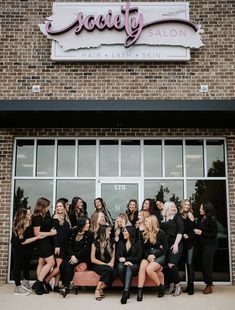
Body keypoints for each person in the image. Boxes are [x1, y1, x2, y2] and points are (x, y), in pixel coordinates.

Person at [11, 208, 44, 295]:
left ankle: (25, 282)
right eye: (29, 214)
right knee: (17, 266)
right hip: (18, 247)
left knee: (26, 264)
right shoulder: (18, 226)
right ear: (24, 216)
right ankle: (17, 287)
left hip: (27, 248)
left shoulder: (29, 224)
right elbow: (23, 241)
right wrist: (36, 238)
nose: (30, 215)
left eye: (30, 214)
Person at [59, 216, 94, 297]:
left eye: (89, 223)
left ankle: (66, 287)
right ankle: (66, 284)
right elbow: (67, 244)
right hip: (72, 254)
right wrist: (72, 255)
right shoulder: (72, 231)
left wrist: (76, 257)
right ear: (81, 225)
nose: (89, 225)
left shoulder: (90, 234)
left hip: (82, 256)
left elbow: (87, 249)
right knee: (61, 266)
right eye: (87, 224)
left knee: (68, 265)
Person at [137, 215, 168, 301]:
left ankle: (160, 287)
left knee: (149, 269)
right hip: (148, 255)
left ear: (151, 222)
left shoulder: (161, 233)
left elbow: (165, 248)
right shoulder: (145, 233)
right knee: (142, 266)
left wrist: (155, 255)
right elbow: (144, 249)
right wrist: (148, 256)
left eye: (146, 221)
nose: (145, 222)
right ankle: (140, 291)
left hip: (159, 255)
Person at [44, 199, 71, 292]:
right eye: (57, 206)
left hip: (64, 246)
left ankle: (56, 285)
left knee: (60, 266)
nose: (58, 208)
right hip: (58, 246)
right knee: (60, 267)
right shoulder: (55, 218)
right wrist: (56, 246)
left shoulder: (65, 218)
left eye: (60, 206)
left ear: (64, 208)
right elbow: (54, 233)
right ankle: (46, 280)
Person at [32, 197, 57, 295]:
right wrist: (50, 234)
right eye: (47, 205)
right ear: (42, 206)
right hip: (42, 242)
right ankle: (39, 284)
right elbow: (36, 233)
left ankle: (40, 285)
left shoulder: (47, 214)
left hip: (48, 242)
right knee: (51, 262)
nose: (49, 207)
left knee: (42, 262)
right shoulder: (37, 217)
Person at [160, 201, 184, 297]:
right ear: (166, 208)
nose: (174, 208)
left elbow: (180, 231)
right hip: (166, 245)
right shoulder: (163, 219)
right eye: (171, 207)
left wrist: (176, 244)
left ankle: (178, 286)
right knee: (166, 266)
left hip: (176, 243)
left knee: (171, 264)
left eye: (174, 207)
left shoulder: (177, 218)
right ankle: (171, 285)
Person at [194, 201, 218, 294]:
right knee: (203, 264)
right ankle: (208, 283)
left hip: (210, 245)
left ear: (206, 209)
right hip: (202, 245)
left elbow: (214, 234)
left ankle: (209, 285)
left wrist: (201, 233)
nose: (199, 209)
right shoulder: (201, 218)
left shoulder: (212, 220)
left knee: (207, 264)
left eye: (201, 208)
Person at [116, 226, 143, 304]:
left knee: (129, 267)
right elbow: (118, 256)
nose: (123, 233)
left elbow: (138, 258)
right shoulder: (121, 242)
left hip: (134, 265)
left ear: (130, 233)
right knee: (120, 267)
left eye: (125, 231)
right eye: (123, 231)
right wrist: (124, 261)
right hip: (123, 264)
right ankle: (126, 290)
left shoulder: (138, 243)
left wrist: (127, 260)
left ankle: (126, 290)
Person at [91, 224, 116, 301]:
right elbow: (93, 259)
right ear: (103, 232)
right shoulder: (95, 243)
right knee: (108, 269)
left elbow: (113, 257)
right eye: (108, 231)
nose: (110, 232)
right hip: (98, 265)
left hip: (108, 265)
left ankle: (101, 288)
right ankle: (97, 290)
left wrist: (111, 263)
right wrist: (106, 264)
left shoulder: (112, 242)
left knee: (115, 273)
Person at [179, 199, 196, 295]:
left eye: (188, 205)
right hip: (183, 243)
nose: (187, 206)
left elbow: (193, 229)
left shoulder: (190, 214)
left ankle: (191, 288)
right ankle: (188, 286)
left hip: (190, 243)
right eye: (185, 204)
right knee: (185, 263)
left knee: (189, 264)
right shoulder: (180, 216)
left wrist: (188, 235)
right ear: (182, 205)